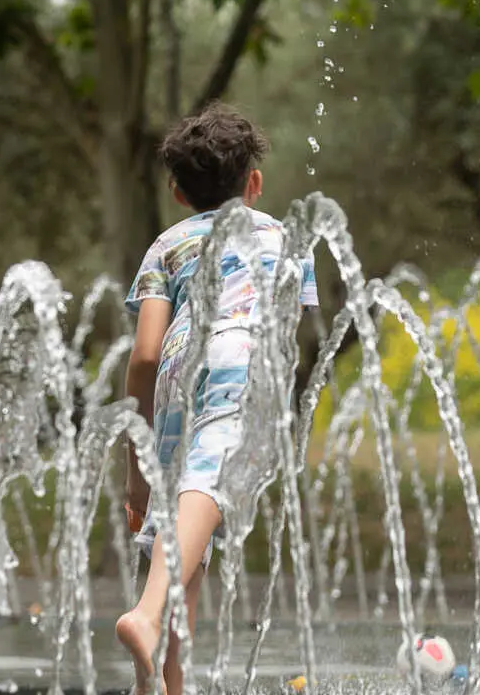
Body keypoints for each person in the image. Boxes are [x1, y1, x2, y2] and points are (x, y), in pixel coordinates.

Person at [117, 101, 318, 695]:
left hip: (180, 365)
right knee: (208, 485)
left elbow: (146, 355)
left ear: (178, 193)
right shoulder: (282, 236)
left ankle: (165, 689)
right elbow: (287, 329)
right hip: (242, 360)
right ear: (253, 183)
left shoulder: (167, 245)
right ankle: (147, 616)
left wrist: (136, 471)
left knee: (186, 534)